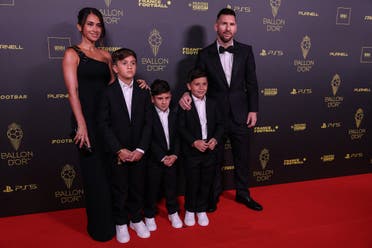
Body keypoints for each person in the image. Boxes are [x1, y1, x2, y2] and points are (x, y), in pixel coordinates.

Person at [179, 8, 263, 212]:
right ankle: (212, 196)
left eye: (231, 24)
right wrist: (186, 93)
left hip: (240, 114)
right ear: (216, 26)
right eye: (224, 24)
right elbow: (196, 80)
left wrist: (253, 110)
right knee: (213, 159)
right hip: (214, 117)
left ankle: (243, 194)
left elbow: (252, 83)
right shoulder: (204, 54)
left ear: (236, 27)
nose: (227, 28)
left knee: (242, 157)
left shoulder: (246, 50)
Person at [62, 7, 115, 242]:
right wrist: (81, 125)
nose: (95, 29)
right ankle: (99, 228)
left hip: (107, 122)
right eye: (90, 24)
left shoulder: (106, 56)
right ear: (80, 27)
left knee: (110, 173)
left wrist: (139, 84)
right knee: (94, 176)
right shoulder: (72, 54)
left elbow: (115, 88)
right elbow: (72, 92)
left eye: (98, 25)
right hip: (86, 122)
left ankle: (115, 221)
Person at [97, 48, 152, 243]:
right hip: (117, 152)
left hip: (138, 151)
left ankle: (136, 219)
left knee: (137, 186)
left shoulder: (144, 91)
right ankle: (121, 222)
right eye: (124, 63)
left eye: (133, 63)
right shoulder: (107, 93)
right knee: (120, 188)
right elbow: (103, 124)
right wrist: (118, 149)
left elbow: (148, 123)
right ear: (115, 67)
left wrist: (140, 149)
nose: (129, 66)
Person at [178, 68, 224, 227]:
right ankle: (190, 209)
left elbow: (220, 124)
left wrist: (215, 139)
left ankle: (201, 209)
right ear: (189, 86)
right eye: (197, 84)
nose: (201, 87)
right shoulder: (185, 104)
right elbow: (181, 127)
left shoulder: (213, 103)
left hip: (209, 149)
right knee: (192, 182)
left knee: (206, 182)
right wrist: (193, 142)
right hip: (192, 151)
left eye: (204, 84)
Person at [144, 79, 183, 231]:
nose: (164, 102)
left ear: (171, 97)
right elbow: (149, 139)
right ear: (152, 99)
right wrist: (161, 157)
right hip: (154, 159)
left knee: (171, 187)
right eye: (160, 99)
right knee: (151, 188)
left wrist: (175, 155)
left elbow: (178, 136)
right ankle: (149, 214)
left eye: (167, 98)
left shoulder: (175, 112)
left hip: (172, 158)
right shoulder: (148, 115)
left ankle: (173, 212)